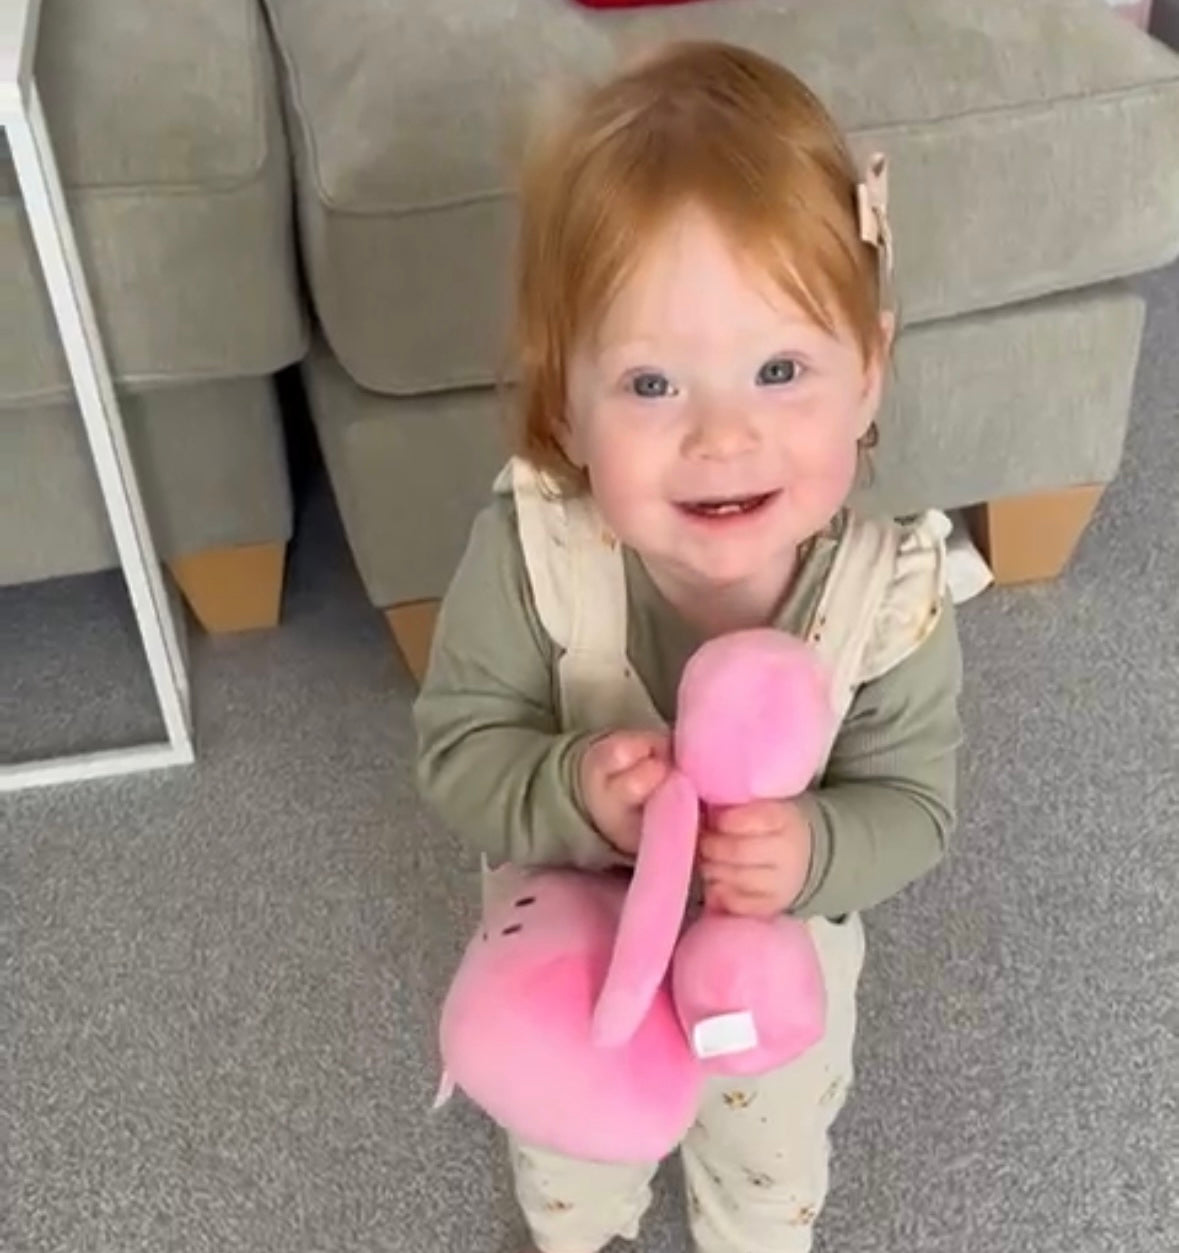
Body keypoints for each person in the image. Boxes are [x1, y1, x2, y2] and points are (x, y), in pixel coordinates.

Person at [413, 39, 962, 1253]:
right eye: (653, 383)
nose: (722, 436)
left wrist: (814, 844)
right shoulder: (533, 557)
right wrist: (570, 787)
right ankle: (580, 1232)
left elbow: (914, 805)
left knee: (769, 1160)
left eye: (780, 369)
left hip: (766, 964)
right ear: (566, 401)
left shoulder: (887, 597)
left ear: (868, 373)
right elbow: (457, 754)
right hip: (572, 946)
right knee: (569, 1150)